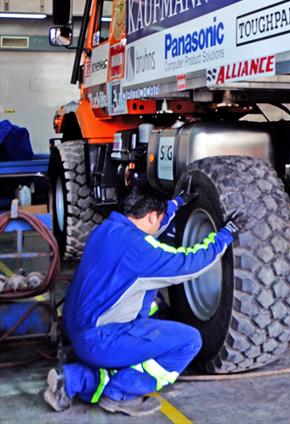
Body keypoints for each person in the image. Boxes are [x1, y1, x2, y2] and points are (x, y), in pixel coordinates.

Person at [43, 178, 243, 416]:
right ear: (151, 216)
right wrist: (225, 236)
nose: (160, 223)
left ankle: (73, 380)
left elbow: (151, 226)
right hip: (100, 340)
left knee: (153, 308)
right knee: (188, 341)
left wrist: (177, 203)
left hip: (76, 329)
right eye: (159, 217)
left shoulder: (106, 229)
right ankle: (120, 393)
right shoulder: (142, 252)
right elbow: (189, 263)